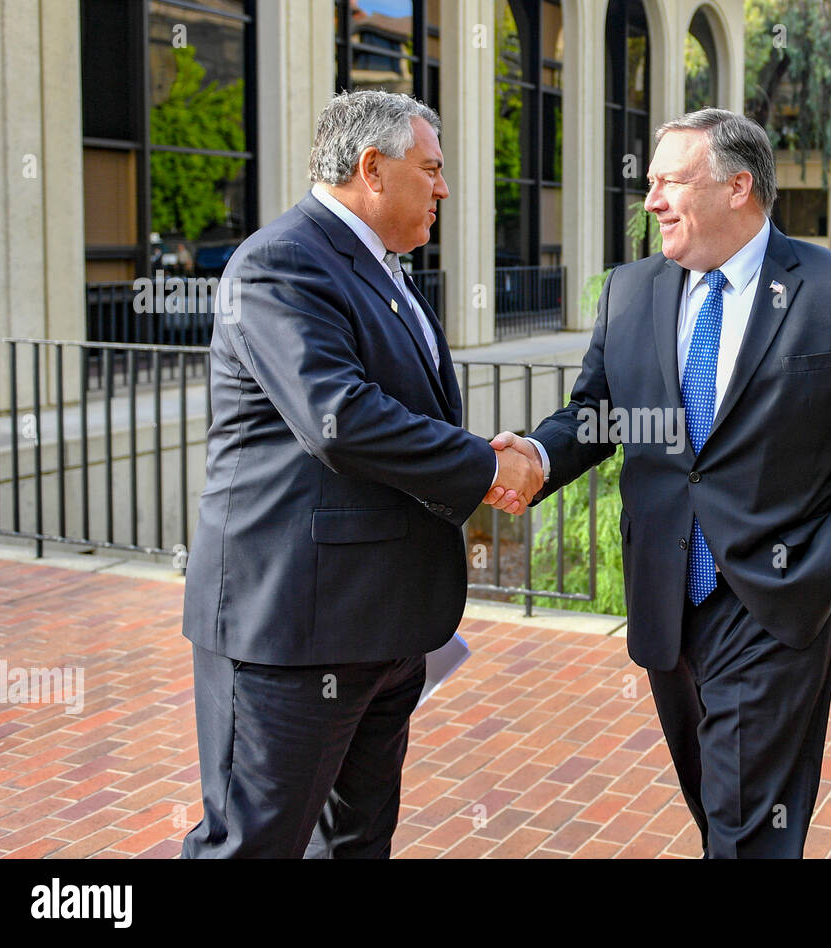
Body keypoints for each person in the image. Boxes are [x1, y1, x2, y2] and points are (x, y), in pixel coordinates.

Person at [487, 109, 831, 858]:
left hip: (776, 595)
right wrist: (535, 455)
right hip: (667, 597)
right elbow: (597, 413)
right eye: (650, 182)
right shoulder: (632, 292)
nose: (651, 200)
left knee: (747, 826)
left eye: (669, 182)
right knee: (712, 805)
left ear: (738, 186)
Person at [180, 91, 540, 858]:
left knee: (355, 840)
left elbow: (401, 414)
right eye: (432, 169)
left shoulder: (387, 270)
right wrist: (485, 465)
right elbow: (340, 419)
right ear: (372, 169)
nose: (443, 189)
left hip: (384, 630)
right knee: (253, 843)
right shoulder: (280, 262)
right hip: (295, 631)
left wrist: (483, 456)